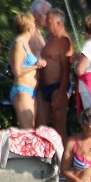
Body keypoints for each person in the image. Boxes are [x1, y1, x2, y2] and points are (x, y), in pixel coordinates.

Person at [36, 8, 73, 137]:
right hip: (43, 88)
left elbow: (66, 69)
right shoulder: (50, 40)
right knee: (40, 127)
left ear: (59, 23)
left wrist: (61, 93)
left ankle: (65, 156)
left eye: (49, 21)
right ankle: (43, 156)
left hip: (57, 87)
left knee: (59, 127)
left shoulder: (64, 41)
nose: (46, 24)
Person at [9, 12, 46, 130]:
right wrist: (36, 66)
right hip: (22, 90)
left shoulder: (26, 44)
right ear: (30, 28)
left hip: (31, 91)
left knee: (33, 129)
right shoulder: (18, 44)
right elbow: (17, 71)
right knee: (28, 131)